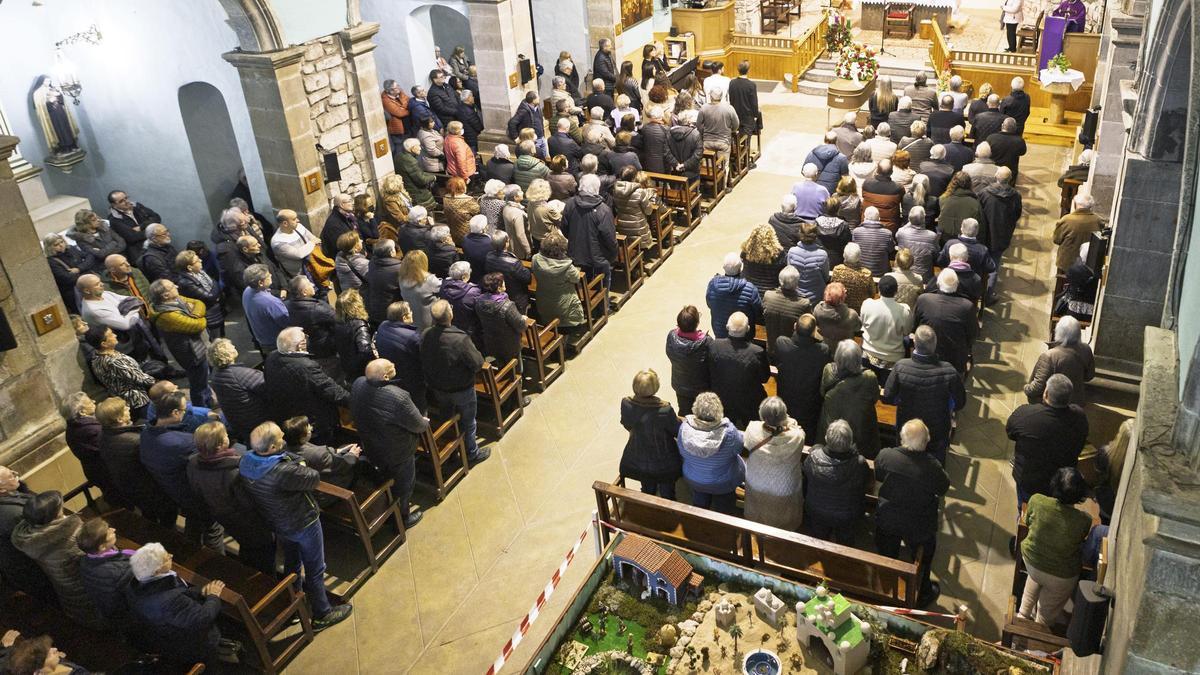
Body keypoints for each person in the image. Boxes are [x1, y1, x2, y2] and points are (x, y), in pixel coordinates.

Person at [239, 422, 353, 630]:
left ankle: (294, 603)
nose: (284, 440)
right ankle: (321, 613)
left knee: (292, 563)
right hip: (302, 521)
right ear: (272, 448)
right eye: (280, 438)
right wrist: (297, 461)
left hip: (278, 521)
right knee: (315, 568)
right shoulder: (282, 470)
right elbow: (312, 478)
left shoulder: (247, 461)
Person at [185, 422, 277, 574]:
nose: (228, 436)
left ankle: (247, 571)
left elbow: (197, 492)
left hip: (223, 516)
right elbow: (249, 503)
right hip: (249, 523)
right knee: (264, 554)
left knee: (247, 547)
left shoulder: (192, 463)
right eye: (226, 435)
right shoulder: (234, 471)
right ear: (221, 444)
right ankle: (266, 584)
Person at [874, 420, 949, 606]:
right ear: (926, 442)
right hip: (919, 524)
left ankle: (886, 581)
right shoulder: (932, 467)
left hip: (888, 518)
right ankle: (923, 590)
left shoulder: (887, 456)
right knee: (926, 552)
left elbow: (878, 475)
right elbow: (943, 487)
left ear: (902, 438)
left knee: (887, 548)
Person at [125, 542, 235, 665]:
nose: (171, 555)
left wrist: (199, 592)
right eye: (167, 558)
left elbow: (180, 593)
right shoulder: (170, 600)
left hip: (165, 637)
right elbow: (203, 618)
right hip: (193, 645)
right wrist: (213, 596)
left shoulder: (135, 584)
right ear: (157, 570)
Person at [349, 360, 429, 528]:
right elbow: (418, 426)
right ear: (385, 376)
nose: (394, 364)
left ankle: (389, 502)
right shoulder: (398, 396)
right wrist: (424, 422)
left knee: (386, 474)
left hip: (372, 443)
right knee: (405, 484)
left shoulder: (358, 383)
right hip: (398, 450)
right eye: (391, 366)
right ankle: (403, 518)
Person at [10, 490, 105, 628]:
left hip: (68, 597)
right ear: (55, 515)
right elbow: (101, 559)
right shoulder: (73, 538)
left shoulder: (30, 539)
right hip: (89, 595)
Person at [1019, 467, 1092, 627]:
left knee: (1036, 576)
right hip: (1061, 575)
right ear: (1081, 495)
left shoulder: (1037, 501)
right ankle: (1034, 646)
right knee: (1045, 617)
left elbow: (1028, 522)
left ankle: (1023, 615)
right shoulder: (1084, 520)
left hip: (1032, 561)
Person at [883, 326, 965, 465]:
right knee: (935, 463)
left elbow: (888, 397)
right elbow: (960, 402)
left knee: (906, 461)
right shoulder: (949, 371)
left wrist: (901, 400)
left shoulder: (900, 366)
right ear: (935, 345)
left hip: (907, 428)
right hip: (937, 430)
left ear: (915, 343)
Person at [421, 302, 493, 461]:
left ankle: (452, 452)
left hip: (438, 387)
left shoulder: (426, 334)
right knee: (468, 421)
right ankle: (472, 453)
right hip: (461, 388)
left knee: (447, 419)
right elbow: (477, 363)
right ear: (450, 315)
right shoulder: (460, 338)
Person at [1008, 373, 1089, 511]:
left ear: (1045, 393)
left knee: (1026, 511)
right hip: (1063, 483)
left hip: (1030, 480)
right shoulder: (1080, 417)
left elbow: (1011, 433)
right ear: (1069, 399)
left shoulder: (1025, 414)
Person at [804, 418, 872, 544]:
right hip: (847, 515)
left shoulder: (813, 458)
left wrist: (816, 448)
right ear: (850, 441)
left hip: (816, 510)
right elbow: (865, 483)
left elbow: (806, 474)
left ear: (826, 438)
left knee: (819, 540)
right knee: (845, 540)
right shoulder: (859, 463)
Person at [742, 397, 805, 530]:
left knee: (758, 510)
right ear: (784, 416)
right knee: (785, 516)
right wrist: (789, 422)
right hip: (784, 487)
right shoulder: (797, 437)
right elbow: (796, 428)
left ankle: (757, 525)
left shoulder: (752, 429)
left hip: (756, 481)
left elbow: (746, 443)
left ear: (762, 415)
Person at [619, 369, 682, 500]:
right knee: (667, 493)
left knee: (647, 487)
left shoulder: (626, 403)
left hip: (636, 458)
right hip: (664, 462)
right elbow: (677, 431)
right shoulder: (665, 409)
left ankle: (648, 497)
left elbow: (626, 424)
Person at [677, 392, 745, 514]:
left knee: (700, 493)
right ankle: (724, 511)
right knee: (724, 502)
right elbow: (739, 449)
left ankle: (700, 507)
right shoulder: (729, 433)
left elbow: (681, 450)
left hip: (694, 478)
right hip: (723, 482)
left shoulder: (684, 428)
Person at [147, 279, 210, 407]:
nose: (176, 285)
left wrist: (195, 313)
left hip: (199, 347)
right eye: (172, 286)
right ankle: (202, 409)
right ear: (165, 295)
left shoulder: (175, 299)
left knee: (204, 378)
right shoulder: (167, 316)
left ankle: (207, 400)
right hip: (192, 354)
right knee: (198, 384)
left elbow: (199, 302)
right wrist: (198, 316)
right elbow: (198, 325)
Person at [0, 466, 56, 602]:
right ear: (1, 489)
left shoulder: (11, 495)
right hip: (33, 570)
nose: (16, 473)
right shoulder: (13, 514)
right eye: (11, 476)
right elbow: (40, 539)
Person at [818, 340, 881, 459]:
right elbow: (875, 398)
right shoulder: (869, 377)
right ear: (858, 358)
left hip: (831, 428)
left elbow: (822, 393)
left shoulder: (828, 370)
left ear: (838, 356)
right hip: (860, 433)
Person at [707, 312, 769, 429]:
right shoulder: (757, 352)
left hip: (723, 399)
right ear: (748, 329)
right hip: (750, 404)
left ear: (727, 327)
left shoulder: (714, 346)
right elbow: (764, 378)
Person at [61, 392, 122, 505]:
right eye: (89, 402)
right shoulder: (91, 431)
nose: (94, 401)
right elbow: (110, 448)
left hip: (99, 473)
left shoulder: (73, 428)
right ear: (82, 412)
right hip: (108, 474)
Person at [563, 174, 618, 297]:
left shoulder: (570, 204)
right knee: (602, 286)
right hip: (599, 259)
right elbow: (609, 238)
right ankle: (603, 308)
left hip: (576, 255)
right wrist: (612, 256)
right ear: (597, 189)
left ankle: (587, 308)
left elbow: (565, 229)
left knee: (582, 284)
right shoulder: (603, 210)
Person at [915, 269, 977, 374]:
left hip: (927, 355)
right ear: (957, 285)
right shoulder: (967, 306)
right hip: (954, 360)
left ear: (938, 284)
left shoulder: (923, 300)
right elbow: (973, 335)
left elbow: (914, 326)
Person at [1025, 316, 1095, 406]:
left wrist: (1026, 388)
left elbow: (1037, 388)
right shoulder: (1086, 349)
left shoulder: (1049, 356)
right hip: (1076, 401)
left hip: (1054, 403)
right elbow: (1090, 376)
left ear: (1058, 332)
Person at [77, 516, 134, 623]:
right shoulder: (119, 570)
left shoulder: (85, 560)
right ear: (102, 547)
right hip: (123, 614)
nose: (113, 530)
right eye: (109, 532)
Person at [375, 301, 427, 412]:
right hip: (412, 379)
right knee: (419, 408)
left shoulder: (382, 326)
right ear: (404, 317)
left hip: (393, 377)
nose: (412, 313)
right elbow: (424, 359)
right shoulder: (412, 337)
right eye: (410, 312)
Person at [705, 252, 763, 339]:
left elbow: (709, 303)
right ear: (740, 268)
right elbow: (758, 311)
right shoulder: (750, 289)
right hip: (744, 334)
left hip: (719, 332)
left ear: (724, 267)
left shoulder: (712, 285)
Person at [476, 272, 528, 367]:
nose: (505, 283)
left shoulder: (479, 301)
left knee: (501, 364)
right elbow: (521, 326)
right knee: (516, 368)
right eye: (503, 282)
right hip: (510, 344)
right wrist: (523, 319)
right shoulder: (507, 306)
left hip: (491, 341)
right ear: (499, 288)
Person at [696, 88, 739, 193]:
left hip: (707, 141)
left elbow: (699, 125)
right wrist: (730, 131)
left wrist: (704, 133)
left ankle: (708, 185)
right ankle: (723, 187)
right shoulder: (729, 109)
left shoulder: (704, 108)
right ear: (722, 96)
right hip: (723, 141)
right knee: (724, 165)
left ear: (710, 96)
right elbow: (736, 124)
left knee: (708, 165)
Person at [484, 231, 533, 315]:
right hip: (516, 297)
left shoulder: (488, 256)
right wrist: (526, 269)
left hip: (500, 292)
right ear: (506, 243)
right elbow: (528, 279)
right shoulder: (513, 263)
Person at [1053, 193, 1102, 272]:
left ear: (1075, 204)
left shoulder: (1066, 220)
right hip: (1088, 265)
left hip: (1067, 263)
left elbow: (1056, 240)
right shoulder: (1098, 221)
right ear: (1090, 207)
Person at [107, 190, 162, 259]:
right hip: (140, 251)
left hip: (157, 243)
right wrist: (153, 230)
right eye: (121, 201)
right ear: (114, 205)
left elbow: (157, 218)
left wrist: (141, 227)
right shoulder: (114, 219)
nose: (126, 201)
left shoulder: (137, 206)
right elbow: (132, 237)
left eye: (126, 198)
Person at [937, 171, 982, 244]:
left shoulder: (943, 199)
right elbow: (980, 227)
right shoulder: (975, 204)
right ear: (970, 184)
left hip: (945, 240)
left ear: (953, 182)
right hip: (964, 243)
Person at [895, 207, 939, 281]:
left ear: (909, 219)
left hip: (905, 274)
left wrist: (911, 221)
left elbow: (898, 233)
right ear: (924, 219)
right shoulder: (932, 236)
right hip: (925, 277)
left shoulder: (901, 233)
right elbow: (936, 255)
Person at [829, 243, 875, 313]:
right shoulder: (867, 274)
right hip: (860, 311)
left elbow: (832, 288)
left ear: (844, 255)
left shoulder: (837, 270)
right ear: (859, 256)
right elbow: (872, 293)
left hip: (841, 310)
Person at [852, 207, 895, 277]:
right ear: (879, 219)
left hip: (862, 274)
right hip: (881, 274)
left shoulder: (856, 232)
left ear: (864, 218)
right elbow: (891, 250)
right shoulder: (887, 234)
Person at [861, 160, 905, 229]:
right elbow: (903, 205)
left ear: (877, 171)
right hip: (890, 227)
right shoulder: (899, 188)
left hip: (867, 225)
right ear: (892, 172)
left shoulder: (866, 184)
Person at [395, 139, 437, 208]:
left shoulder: (399, 156)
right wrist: (433, 177)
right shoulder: (410, 161)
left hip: (409, 191)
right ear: (412, 148)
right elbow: (421, 180)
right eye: (418, 146)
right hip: (417, 194)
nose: (420, 148)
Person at [668, 109, 704, 180]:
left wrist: (676, 164)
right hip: (692, 172)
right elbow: (698, 155)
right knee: (693, 189)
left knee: (676, 190)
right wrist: (684, 165)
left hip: (675, 170)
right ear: (688, 122)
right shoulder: (695, 134)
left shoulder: (669, 133)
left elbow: (667, 152)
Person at [381, 79, 410, 150]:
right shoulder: (385, 101)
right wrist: (408, 109)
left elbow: (408, 100)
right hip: (398, 130)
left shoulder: (399, 92)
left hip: (408, 126)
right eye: (396, 87)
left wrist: (402, 107)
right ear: (391, 91)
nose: (399, 87)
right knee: (400, 149)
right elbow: (400, 113)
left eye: (398, 85)